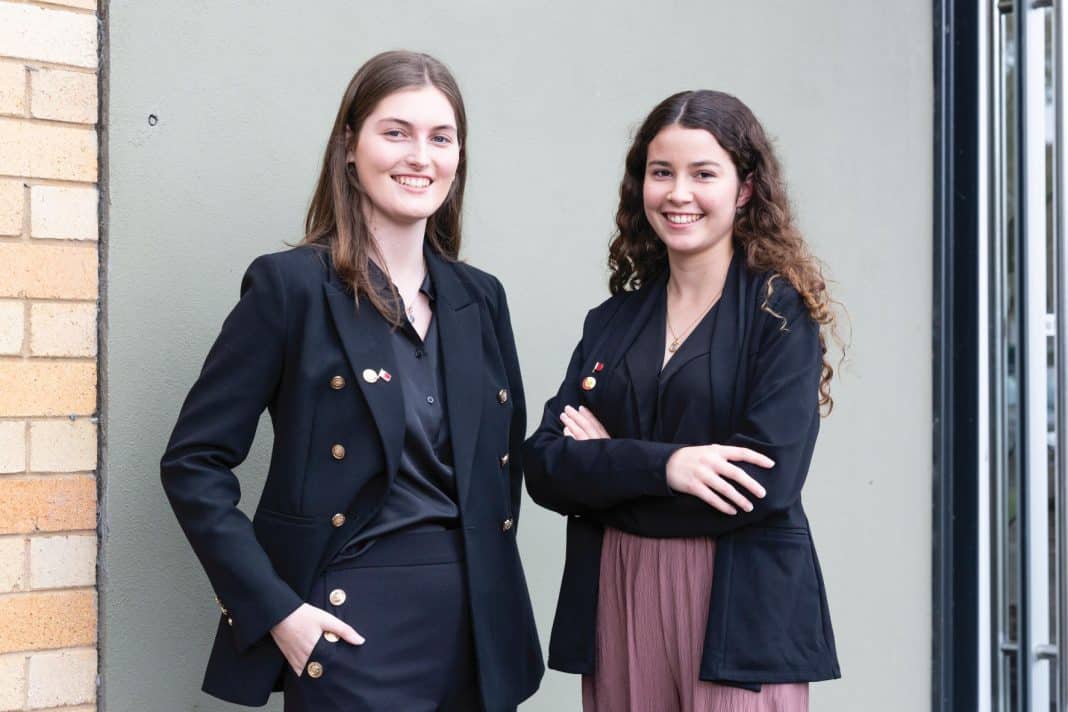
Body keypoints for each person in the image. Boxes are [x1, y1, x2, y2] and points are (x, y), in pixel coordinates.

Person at [161, 50, 543, 711]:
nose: (420, 155)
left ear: (459, 156)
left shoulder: (481, 299)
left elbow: (498, 472)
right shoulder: (291, 289)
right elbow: (193, 463)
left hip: (479, 626)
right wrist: (280, 611)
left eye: (440, 137)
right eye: (395, 132)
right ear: (349, 145)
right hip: (349, 626)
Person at [523, 89, 842, 712]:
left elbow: (762, 486)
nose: (678, 194)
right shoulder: (612, 323)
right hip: (618, 595)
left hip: (738, 607)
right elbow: (545, 467)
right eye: (661, 172)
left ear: (745, 188)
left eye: (703, 174)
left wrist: (610, 469)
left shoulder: (778, 314)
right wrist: (670, 467)